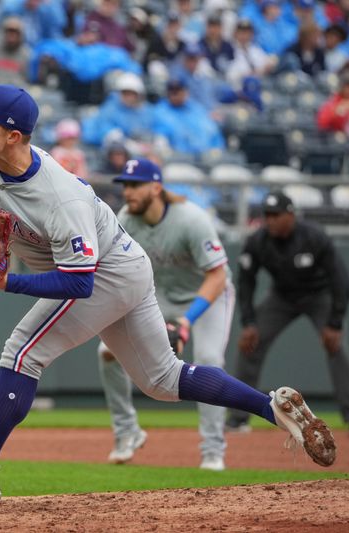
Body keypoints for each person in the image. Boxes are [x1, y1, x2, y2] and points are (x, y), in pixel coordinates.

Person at [0, 25, 337, 507]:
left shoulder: (59, 196)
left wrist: (6, 281)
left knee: (22, 353)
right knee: (163, 381)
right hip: (126, 266)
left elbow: (77, 282)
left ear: (12, 136)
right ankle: (270, 406)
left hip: (106, 273)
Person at [97, 158, 234, 471]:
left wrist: (187, 321)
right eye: (125, 185)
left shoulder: (191, 220)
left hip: (206, 296)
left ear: (156, 187)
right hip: (158, 296)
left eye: (135, 185)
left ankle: (213, 450)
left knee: (210, 358)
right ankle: (126, 432)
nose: (128, 191)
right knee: (106, 353)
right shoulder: (126, 220)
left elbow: (218, 275)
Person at [227, 191, 349, 438]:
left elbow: (341, 280)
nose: (270, 220)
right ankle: (238, 419)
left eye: (276, 215)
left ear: (290, 215)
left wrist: (335, 322)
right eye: (267, 215)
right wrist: (248, 322)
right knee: (250, 343)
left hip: (318, 295)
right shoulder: (258, 241)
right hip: (282, 297)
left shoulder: (313, 236)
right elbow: (246, 283)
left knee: (337, 348)